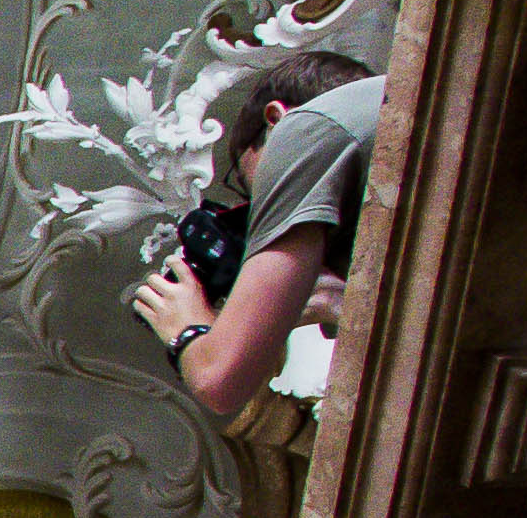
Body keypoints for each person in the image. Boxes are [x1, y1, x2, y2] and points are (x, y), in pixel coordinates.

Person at [129, 46, 376, 418]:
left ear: (275, 121)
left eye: (257, 195)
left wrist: (188, 329)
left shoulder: (303, 130)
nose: (265, 214)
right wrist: (339, 302)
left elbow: (218, 381)